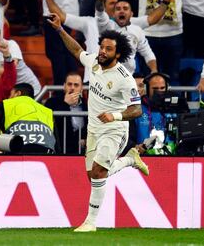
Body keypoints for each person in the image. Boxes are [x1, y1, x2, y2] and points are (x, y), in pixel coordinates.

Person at [46, 13, 149, 232]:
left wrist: (116, 115)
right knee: (93, 175)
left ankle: (90, 222)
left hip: (114, 129)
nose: (102, 51)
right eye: (102, 47)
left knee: (99, 172)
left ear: (117, 53)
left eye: (108, 49)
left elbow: (137, 109)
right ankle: (130, 160)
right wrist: (59, 29)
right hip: (94, 129)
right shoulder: (93, 61)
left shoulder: (124, 78)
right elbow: (76, 50)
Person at [0, 19, 41, 97]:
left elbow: (11, 68)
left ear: (0, 34)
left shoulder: (10, 45)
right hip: (8, 93)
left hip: (29, 89)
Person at [0, 83, 56, 154]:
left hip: (15, 150)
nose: (9, 97)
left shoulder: (7, 104)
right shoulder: (47, 111)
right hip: (45, 153)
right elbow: (55, 139)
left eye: (10, 94)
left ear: (17, 93)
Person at [45, 72, 86, 154]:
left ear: (81, 88)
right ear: (64, 86)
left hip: (81, 152)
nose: (72, 88)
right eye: (69, 84)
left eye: (76, 85)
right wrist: (65, 104)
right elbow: (51, 125)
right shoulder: (52, 102)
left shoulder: (86, 106)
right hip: (59, 150)